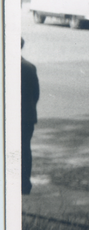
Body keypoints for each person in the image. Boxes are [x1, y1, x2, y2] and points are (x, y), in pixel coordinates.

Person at [21, 39, 40, 196]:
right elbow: (36, 94)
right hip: (26, 117)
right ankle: (24, 184)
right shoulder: (29, 67)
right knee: (25, 150)